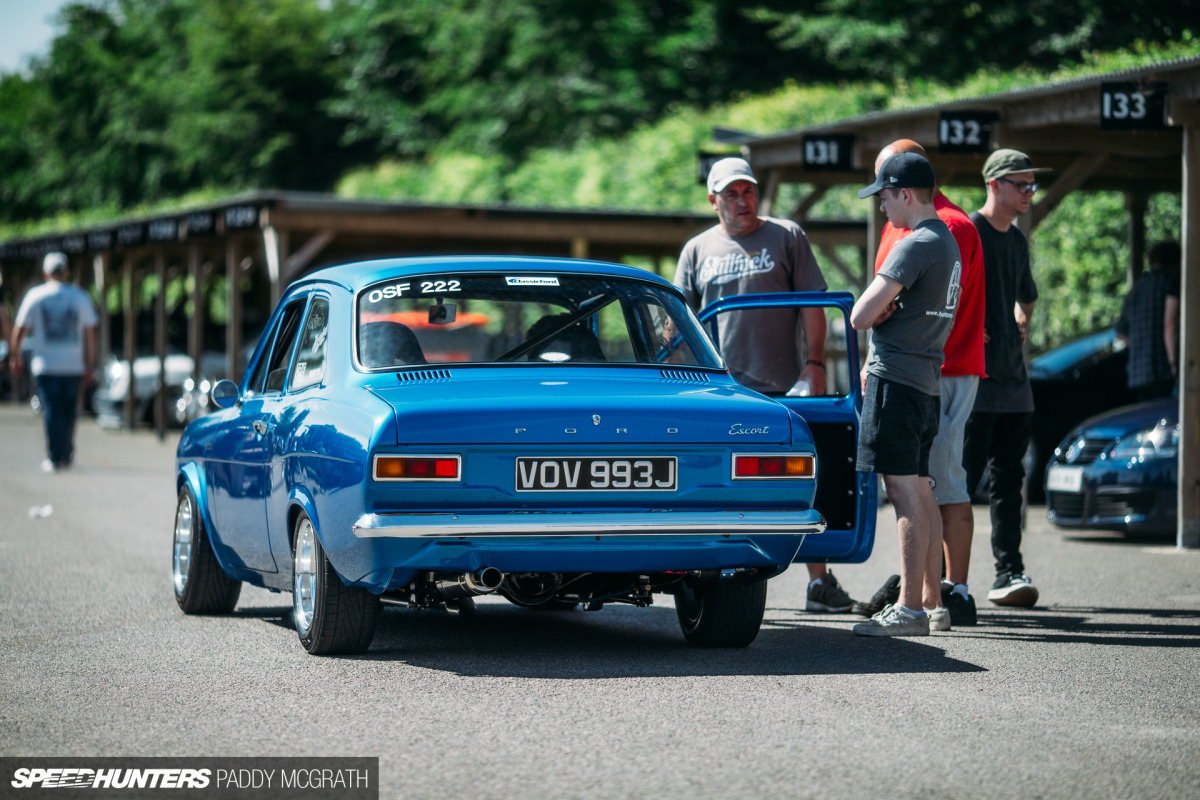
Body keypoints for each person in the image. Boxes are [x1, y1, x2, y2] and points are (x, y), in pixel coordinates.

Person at [674, 156, 858, 613]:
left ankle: (819, 581)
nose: (743, 201)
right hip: (718, 389)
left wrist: (815, 364)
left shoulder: (787, 235)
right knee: (719, 477)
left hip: (783, 385)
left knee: (803, 478)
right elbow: (676, 325)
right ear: (713, 200)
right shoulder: (697, 249)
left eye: (749, 191)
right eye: (732, 194)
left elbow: (814, 303)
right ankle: (713, 577)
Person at [851, 140, 986, 627]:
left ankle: (908, 607)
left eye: (885, 197)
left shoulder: (914, 244)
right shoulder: (948, 240)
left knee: (904, 492)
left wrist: (881, 309)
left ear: (905, 194)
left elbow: (859, 315)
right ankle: (932, 604)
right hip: (927, 379)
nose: (882, 208)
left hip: (897, 379)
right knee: (924, 491)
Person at [963, 149, 1049, 607]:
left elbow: (1027, 295)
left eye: (1033, 185)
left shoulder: (1016, 240)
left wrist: (1021, 315)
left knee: (1009, 484)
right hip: (974, 384)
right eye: (1022, 184)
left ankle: (1008, 572)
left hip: (1015, 385)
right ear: (994, 185)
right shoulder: (967, 232)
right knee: (960, 483)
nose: (1030, 192)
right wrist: (963, 327)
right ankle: (942, 580)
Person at [11, 252, 99, 472]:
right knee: (69, 410)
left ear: (45, 273)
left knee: (51, 410)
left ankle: (55, 456)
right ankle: (66, 453)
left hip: (45, 365)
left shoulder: (35, 295)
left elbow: (20, 329)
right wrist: (90, 363)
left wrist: (15, 355)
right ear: (66, 271)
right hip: (73, 366)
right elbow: (90, 333)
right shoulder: (79, 296)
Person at [1117, 240, 1180, 401]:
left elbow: (1121, 333)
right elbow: (1170, 324)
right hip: (1164, 369)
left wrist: (1140, 346)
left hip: (1139, 373)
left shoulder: (1135, 290)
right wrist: (1174, 362)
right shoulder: (1170, 283)